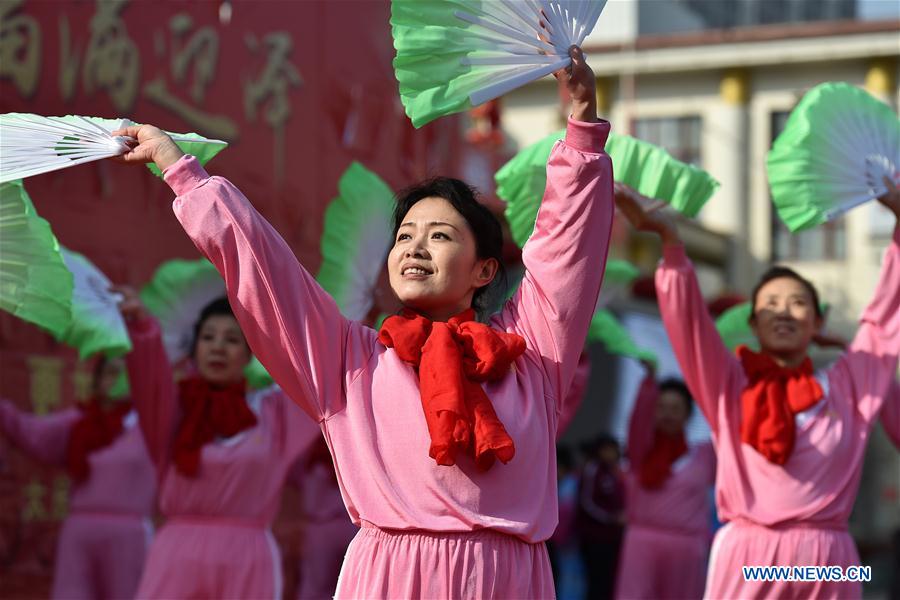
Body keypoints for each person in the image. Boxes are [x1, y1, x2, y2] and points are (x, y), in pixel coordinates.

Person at [111, 46, 613, 598]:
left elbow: (565, 253)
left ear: (485, 269)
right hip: (389, 576)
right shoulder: (350, 359)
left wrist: (582, 130)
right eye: (405, 237)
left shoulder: (530, 353)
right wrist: (185, 175)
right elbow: (265, 271)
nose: (415, 248)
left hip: (507, 580)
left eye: (440, 236)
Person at [614, 179, 900, 599]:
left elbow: (883, 325)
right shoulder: (728, 383)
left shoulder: (847, 384)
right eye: (771, 305)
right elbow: (690, 326)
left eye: (797, 304)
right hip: (750, 555)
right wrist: (671, 244)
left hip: (830, 557)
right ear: (754, 323)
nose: (784, 312)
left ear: (817, 323)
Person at [117, 292, 321, 599]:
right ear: (194, 349)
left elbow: (318, 379)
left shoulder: (273, 414)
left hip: (247, 557)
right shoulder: (173, 411)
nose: (218, 347)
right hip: (177, 554)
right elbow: (149, 376)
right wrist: (141, 327)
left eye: (232, 340)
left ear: (250, 355)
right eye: (208, 337)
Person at [0, 356, 155, 600]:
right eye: (111, 372)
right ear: (97, 380)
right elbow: (31, 432)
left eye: (126, 375)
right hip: (79, 531)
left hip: (128, 535)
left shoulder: (150, 425)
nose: (117, 380)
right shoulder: (77, 421)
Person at [616, 362, 715, 599]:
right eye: (661, 407)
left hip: (687, 547)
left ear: (688, 414)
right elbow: (638, 421)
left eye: (675, 408)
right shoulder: (640, 451)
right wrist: (648, 384)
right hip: (641, 542)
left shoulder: (705, 455)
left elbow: (727, 425)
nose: (668, 414)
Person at [576, 433, 626, 600]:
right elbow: (587, 503)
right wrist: (611, 518)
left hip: (612, 538)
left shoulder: (614, 472)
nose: (610, 454)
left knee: (609, 582)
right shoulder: (592, 470)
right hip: (595, 538)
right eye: (607, 449)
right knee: (596, 582)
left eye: (613, 450)